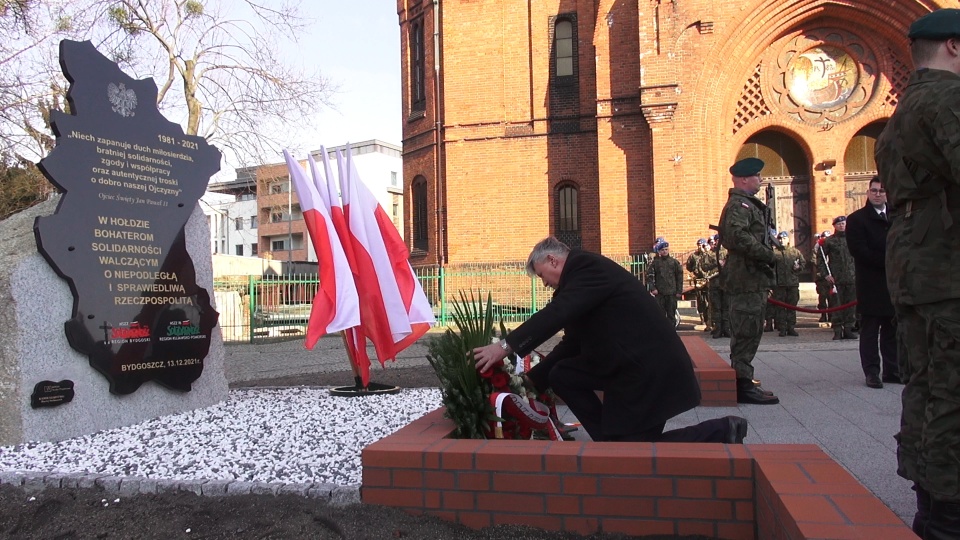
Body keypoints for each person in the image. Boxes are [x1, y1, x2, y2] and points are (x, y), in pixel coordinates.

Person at [472, 237, 748, 444]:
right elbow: (573, 343)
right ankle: (607, 440)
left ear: (553, 261)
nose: (544, 284)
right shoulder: (580, 281)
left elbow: (557, 314)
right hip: (628, 369)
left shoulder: (586, 268)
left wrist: (504, 347)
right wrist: (532, 383)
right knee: (563, 374)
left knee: (633, 452)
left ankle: (722, 430)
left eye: (542, 275)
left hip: (650, 372)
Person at [874, 9, 960, 538]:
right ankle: (949, 516)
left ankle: (930, 503)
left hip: (913, 266)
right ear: (953, 47)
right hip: (948, 266)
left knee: (925, 385)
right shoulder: (948, 100)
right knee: (952, 392)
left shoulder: (901, 113)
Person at [717, 157, 780, 405]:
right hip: (745, 278)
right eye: (757, 176)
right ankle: (742, 385)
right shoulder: (739, 205)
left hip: (752, 278)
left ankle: (744, 379)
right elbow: (735, 236)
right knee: (746, 331)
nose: (760, 180)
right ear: (744, 179)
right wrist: (767, 255)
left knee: (751, 330)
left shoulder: (748, 204)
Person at [845, 176, 899, 389]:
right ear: (868, 193)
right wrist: (888, 260)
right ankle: (872, 372)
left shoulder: (895, 216)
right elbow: (858, 250)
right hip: (870, 282)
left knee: (891, 330)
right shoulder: (857, 219)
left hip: (893, 283)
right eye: (874, 190)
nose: (878, 194)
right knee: (869, 331)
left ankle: (892, 370)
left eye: (882, 191)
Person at [819, 216, 858, 340]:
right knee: (837, 304)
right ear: (834, 226)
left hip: (852, 277)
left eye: (844, 223)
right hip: (836, 278)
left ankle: (848, 328)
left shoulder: (853, 238)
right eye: (839, 224)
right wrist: (826, 275)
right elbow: (821, 259)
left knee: (851, 305)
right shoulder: (829, 241)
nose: (842, 226)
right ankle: (837, 329)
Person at [772, 231, 805, 337]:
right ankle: (782, 328)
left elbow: (803, 263)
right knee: (780, 307)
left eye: (784, 238)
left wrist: (798, 268)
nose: (782, 241)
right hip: (779, 284)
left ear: (788, 240)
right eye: (780, 239)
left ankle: (791, 327)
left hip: (792, 283)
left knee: (792, 306)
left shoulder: (795, 252)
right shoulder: (774, 253)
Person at [647, 241, 684, 326]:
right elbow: (650, 276)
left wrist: (679, 291)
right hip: (660, 293)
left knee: (671, 315)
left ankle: (672, 334)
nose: (665, 251)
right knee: (660, 316)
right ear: (659, 251)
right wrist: (653, 288)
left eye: (666, 249)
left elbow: (679, 277)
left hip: (672, 293)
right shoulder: (655, 263)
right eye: (662, 250)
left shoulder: (674, 262)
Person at [705, 235, 730, 338]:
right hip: (715, 284)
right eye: (717, 240)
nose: (718, 242)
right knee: (716, 307)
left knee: (726, 307)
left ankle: (726, 328)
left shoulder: (728, 252)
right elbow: (704, 266)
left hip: (726, 284)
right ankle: (718, 328)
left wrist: (726, 263)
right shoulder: (710, 253)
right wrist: (716, 263)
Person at [686, 238, 711, 330]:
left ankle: (709, 319)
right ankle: (702, 318)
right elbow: (688, 266)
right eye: (699, 245)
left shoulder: (708, 255)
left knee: (709, 299)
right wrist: (694, 271)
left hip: (707, 279)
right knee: (700, 299)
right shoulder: (693, 256)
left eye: (702, 245)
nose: (700, 247)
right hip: (698, 280)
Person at [813, 231, 833, 323]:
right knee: (822, 296)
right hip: (821, 277)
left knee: (831, 297)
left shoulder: (831, 245)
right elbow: (814, 260)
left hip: (831, 275)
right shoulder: (818, 248)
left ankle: (831, 314)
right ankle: (823, 314)